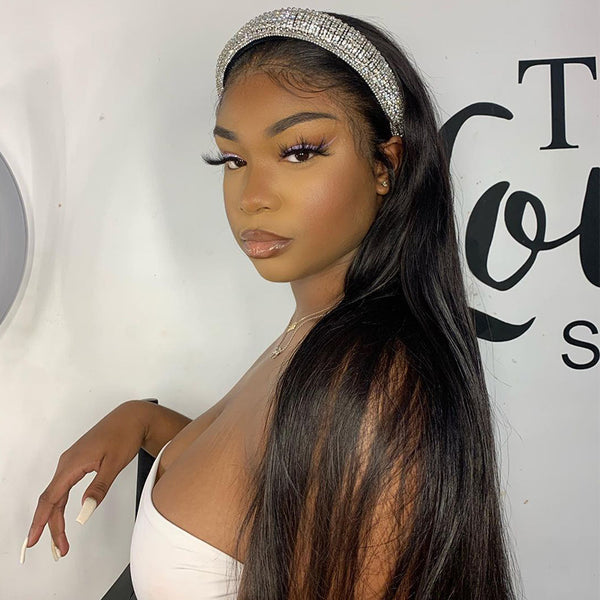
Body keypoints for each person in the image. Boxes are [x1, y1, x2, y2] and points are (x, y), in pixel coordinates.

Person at [24, 7, 519, 599]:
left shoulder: (372, 389)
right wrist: (142, 421)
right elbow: (263, 480)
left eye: (299, 151)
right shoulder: (316, 332)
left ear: (386, 165)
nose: (252, 196)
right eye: (233, 160)